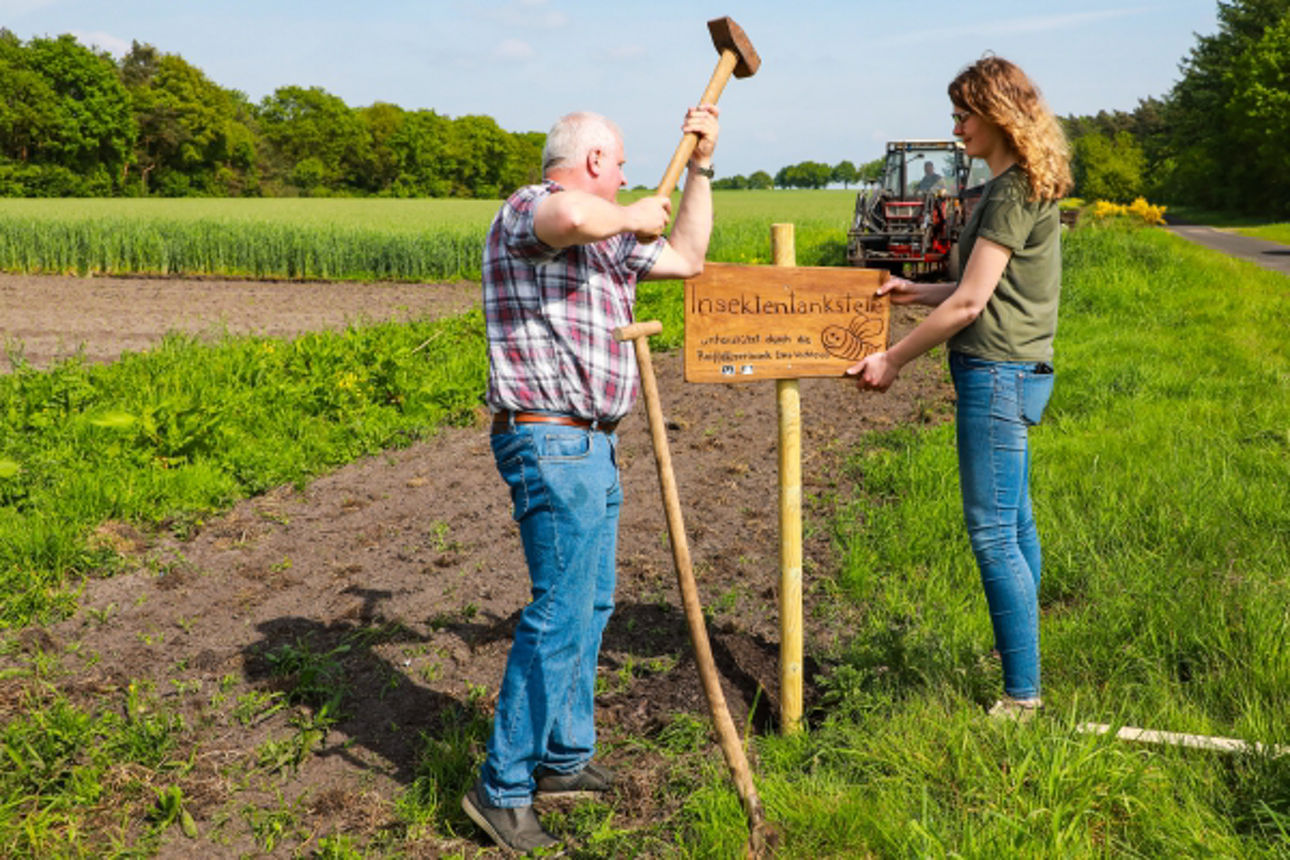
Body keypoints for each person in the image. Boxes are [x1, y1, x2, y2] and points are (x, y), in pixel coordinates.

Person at [463, 106, 719, 852]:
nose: (631, 176)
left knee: (592, 604)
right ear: (595, 157)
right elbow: (571, 214)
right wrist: (631, 213)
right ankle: (501, 787)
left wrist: (700, 166)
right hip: (549, 440)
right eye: (622, 165)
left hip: (595, 446)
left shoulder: (608, 247)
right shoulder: (529, 210)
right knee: (560, 612)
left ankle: (564, 757)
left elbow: (689, 258)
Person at [847, 56, 1071, 720]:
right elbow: (982, 286)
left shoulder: (1008, 191)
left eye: (964, 113)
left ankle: (1022, 697)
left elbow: (972, 305)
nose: (956, 126)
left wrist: (892, 358)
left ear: (998, 114)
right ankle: (1022, 659)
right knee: (1016, 523)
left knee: (993, 532)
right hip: (1018, 370)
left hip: (996, 374)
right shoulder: (1022, 181)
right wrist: (916, 289)